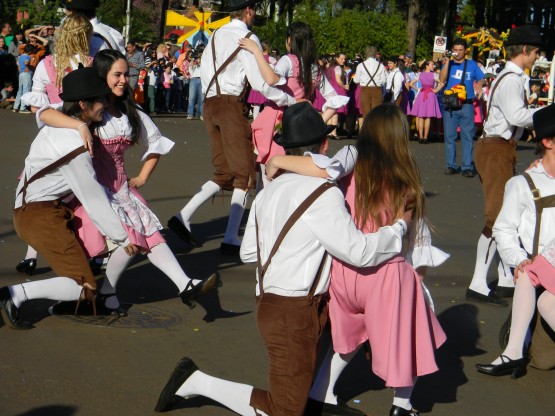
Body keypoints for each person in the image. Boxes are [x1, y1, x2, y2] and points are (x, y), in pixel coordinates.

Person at [154, 102, 413, 416]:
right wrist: (397, 230)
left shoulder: (268, 192)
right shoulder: (323, 191)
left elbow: (249, 251)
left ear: (288, 146)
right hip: (297, 309)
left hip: (271, 303)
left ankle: (199, 382)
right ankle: (195, 381)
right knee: (286, 409)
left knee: (293, 399)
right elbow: (357, 251)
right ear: (324, 144)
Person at [266, 104, 448, 416]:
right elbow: (417, 243)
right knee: (408, 336)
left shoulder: (351, 162)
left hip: (344, 272)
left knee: (346, 341)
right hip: (385, 273)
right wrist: (418, 279)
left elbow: (327, 169)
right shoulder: (406, 179)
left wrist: (278, 159)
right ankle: (402, 405)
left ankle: (321, 390)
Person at [38, 49, 217, 314]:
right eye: (117, 75)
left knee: (151, 235)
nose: (123, 80)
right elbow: (44, 114)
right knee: (132, 237)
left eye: (126, 74)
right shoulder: (87, 108)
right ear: (102, 77)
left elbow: (156, 143)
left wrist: (143, 176)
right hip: (91, 189)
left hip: (121, 189)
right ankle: (107, 294)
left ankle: (182, 285)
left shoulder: (131, 113)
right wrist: (79, 126)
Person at [0, 67, 137, 329]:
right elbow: (93, 197)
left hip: (32, 208)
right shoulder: (75, 145)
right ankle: (14, 295)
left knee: (82, 277)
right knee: (84, 287)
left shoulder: (60, 120)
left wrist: (80, 124)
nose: (105, 105)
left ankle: (59, 299)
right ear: (83, 104)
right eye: (100, 100)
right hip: (41, 215)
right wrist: (122, 237)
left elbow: (43, 111)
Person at [167, 0, 297, 256]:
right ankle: (229, 237)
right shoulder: (247, 37)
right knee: (245, 173)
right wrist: (290, 101)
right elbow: (261, 83)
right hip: (229, 104)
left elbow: (205, 72)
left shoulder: (215, 35)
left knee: (224, 171)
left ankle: (183, 216)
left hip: (210, 103)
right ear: (248, 11)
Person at [476, 103, 555, 378]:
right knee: (544, 361)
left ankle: (515, 348)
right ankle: (515, 348)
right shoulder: (522, 185)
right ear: (548, 142)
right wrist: (518, 258)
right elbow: (503, 230)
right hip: (541, 278)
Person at [466, 25, 542, 307]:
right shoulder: (511, 79)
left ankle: (505, 277)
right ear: (524, 51)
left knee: (505, 214)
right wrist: (547, 114)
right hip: (496, 147)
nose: (536, 57)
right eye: (535, 52)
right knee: (497, 217)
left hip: (498, 146)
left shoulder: (510, 76)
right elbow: (518, 116)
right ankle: (477, 283)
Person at [14, 13, 94, 276]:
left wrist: (55, 112)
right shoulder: (91, 64)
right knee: (81, 191)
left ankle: (30, 255)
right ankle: (91, 248)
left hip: (50, 133)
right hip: (83, 133)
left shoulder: (47, 64)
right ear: (84, 37)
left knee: (37, 190)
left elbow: (37, 105)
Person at [239, 21, 348, 187]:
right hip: (302, 124)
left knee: (268, 176)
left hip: (277, 118)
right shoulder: (315, 68)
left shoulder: (289, 60)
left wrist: (256, 51)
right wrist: (319, 122)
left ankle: (264, 211)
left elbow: (271, 79)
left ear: (290, 40)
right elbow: (335, 99)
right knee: (293, 175)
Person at [439, 38, 485, 177]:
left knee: (467, 136)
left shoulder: (472, 65)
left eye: (460, 50)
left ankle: (467, 166)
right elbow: (442, 79)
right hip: (450, 104)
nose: (457, 53)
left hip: (467, 104)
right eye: (455, 50)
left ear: (465, 51)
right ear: (452, 50)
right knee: (450, 136)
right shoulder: (449, 63)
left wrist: (479, 85)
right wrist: (447, 62)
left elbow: (482, 78)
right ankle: (451, 165)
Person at [409, 60, 443, 144]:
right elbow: (442, 84)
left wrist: (418, 89)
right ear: (427, 65)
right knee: (428, 117)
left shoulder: (420, 74)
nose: (433, 66)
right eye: (432, 64)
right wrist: (435, 90)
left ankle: (420, 137)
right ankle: (425, 137)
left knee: (420, 117)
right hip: (430, 95)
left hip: (422, 94)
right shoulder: (434, 75)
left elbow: (410, 84)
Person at [353, 45, 386, 128]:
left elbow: (356, 80)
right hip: (377, 90)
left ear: (366, 53)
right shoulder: (380, 66)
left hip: (365, 90)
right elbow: (384, 81)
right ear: (375, 54)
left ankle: (366, 132)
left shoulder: (361, 65)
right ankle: (376, 132)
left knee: (366, 113)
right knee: (376, 113)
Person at [325, 52, 349, 138]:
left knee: (330, 109)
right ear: (337, 58)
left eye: (344, 59)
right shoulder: (338, 68)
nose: (343, 60)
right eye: (341, 59)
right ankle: (334, 132)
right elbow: (338, 80)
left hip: (329, 90)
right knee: (335, 112)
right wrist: (345, 86)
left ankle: (328, 132)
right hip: (337, 90)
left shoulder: (330, 67)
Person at [12, 44, 34, 114]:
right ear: (30, 51)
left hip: (21, 74)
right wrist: (28, 67)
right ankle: (22, 108)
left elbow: (18, 64)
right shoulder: (27, 56)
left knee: (20, 90)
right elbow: (26, 63)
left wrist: (21, 71)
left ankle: (15, 107)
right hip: (26, 74)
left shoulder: (20, 56)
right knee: (26, 90)